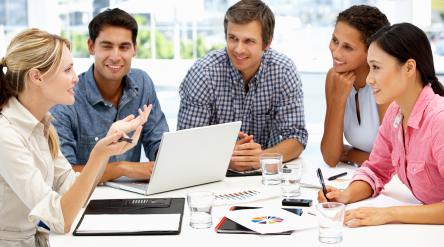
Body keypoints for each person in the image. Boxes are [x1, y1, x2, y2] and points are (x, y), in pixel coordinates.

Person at [0, 28, 148, 246]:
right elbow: (62, 219)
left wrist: (106, 147)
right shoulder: (6, 135)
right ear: (36, 76)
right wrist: (98, 154)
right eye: (67, 70)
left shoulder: (43, 125)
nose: (75, 78)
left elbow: (72, 192)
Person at [318, 23, 444, 227]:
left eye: (376, 68)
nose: (369, 79)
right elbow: (375, 170)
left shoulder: (439, 120)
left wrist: (388, 214)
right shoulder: (395, 113)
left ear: (409, 68)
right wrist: (345, 196)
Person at [177, 0, 308, 172]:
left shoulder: (283, 71)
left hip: (267, 174)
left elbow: (296, 137)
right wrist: (224, 158)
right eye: (233, 38)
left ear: (267, 43)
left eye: (248, 41)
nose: (238, 49)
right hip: (211, 174)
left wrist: (262, 157)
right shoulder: (203, 73)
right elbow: (186, 143)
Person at [51, 8, 169, 182]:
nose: (115, 56)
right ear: (91, 47)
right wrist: (122, 169)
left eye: (124, 47)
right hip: (85, 199)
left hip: (133, 194)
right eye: (107, 46)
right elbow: (65, 175)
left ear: (134, 49)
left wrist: (165, 160)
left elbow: (158, 141)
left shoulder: (142, 83)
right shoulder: (67, 97)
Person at [321, 5, 390, 167]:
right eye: (335, 40)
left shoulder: (385, 83)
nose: (336, 53)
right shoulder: (334, 78)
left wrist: (351, 153)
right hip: (361, 175)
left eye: (347, 47)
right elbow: (330, 157)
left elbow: (393, 161)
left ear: (371, 51)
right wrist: (338, 100)